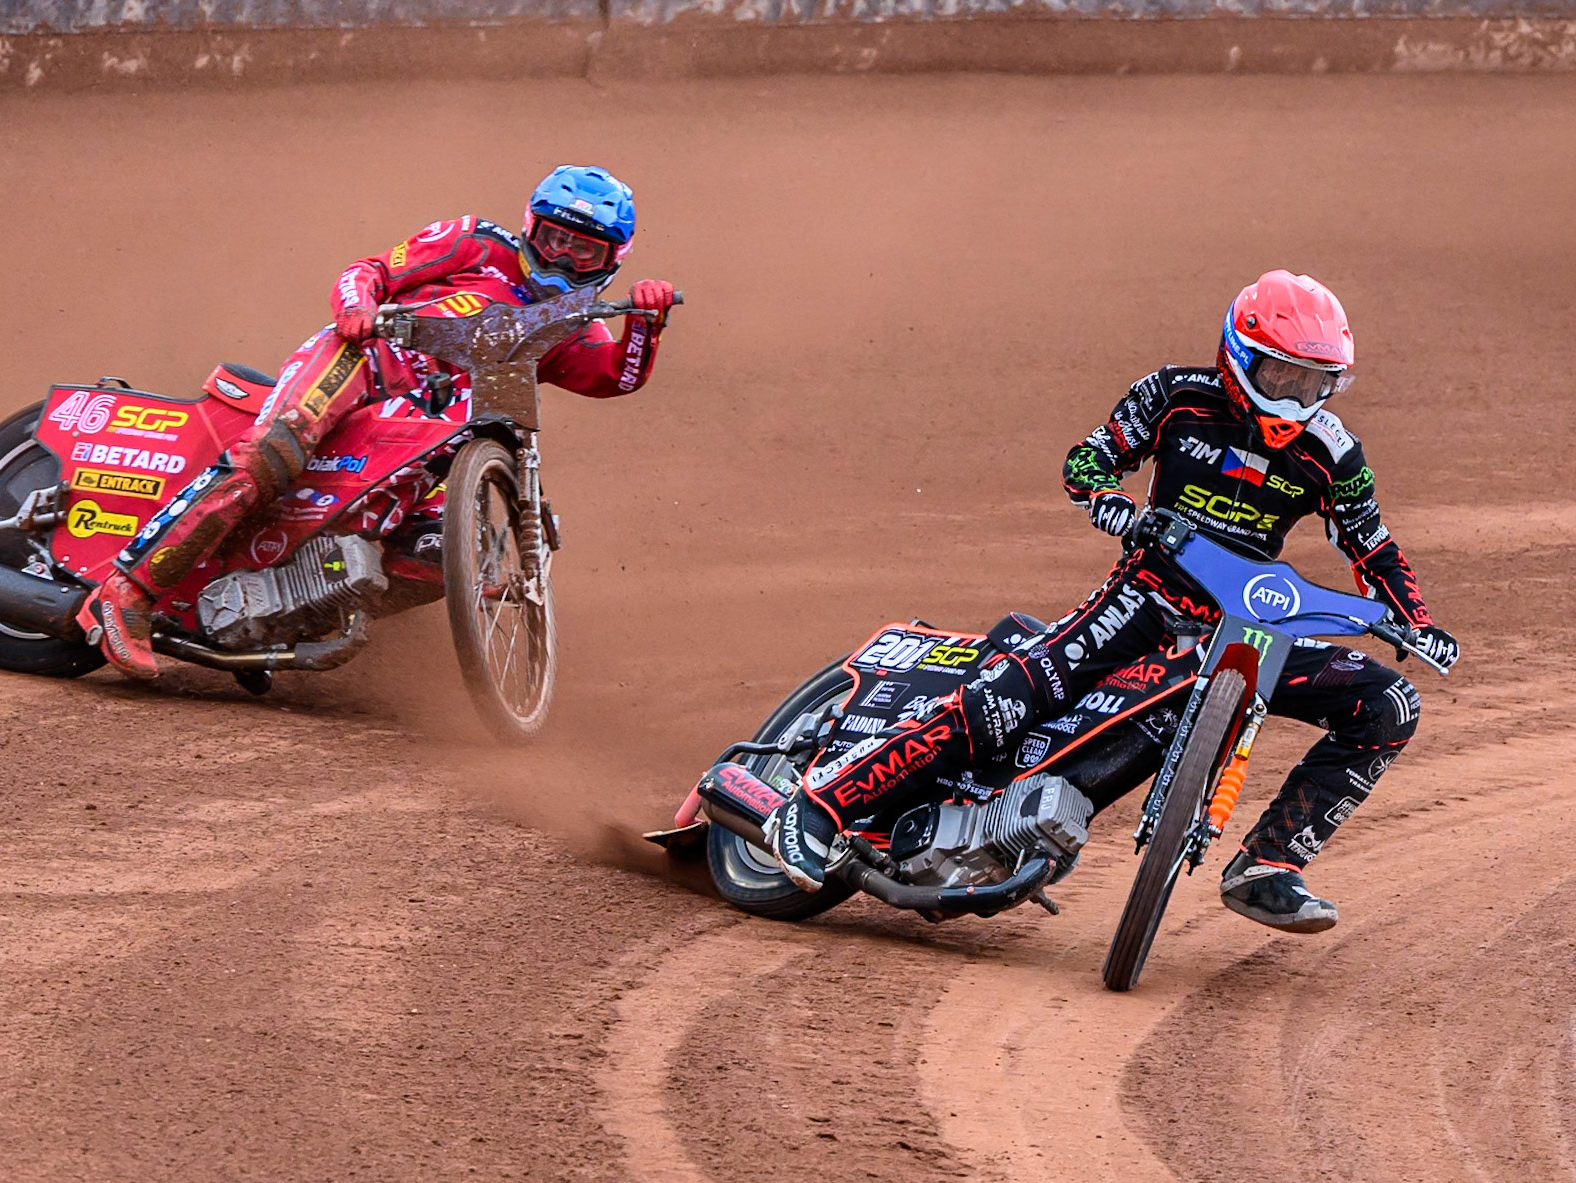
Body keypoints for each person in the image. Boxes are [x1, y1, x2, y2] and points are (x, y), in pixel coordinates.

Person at [765, 270, 1459, 933]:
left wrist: (1415, 621)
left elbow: (1373, 549)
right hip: (1144, 596)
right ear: (1240, 352)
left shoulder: (1333, 453)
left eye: (1313, 379)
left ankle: (1269, 863)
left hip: (1249, 625)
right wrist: (1114, 507)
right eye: (1282, 372)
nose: (1296, 391)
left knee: (1388, 704)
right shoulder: (1173, 394)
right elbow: (1088, 459)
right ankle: (819, 807)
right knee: (1016, 696)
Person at [76, 165, 676, 679]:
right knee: (273, 456)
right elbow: (366, 270)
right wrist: (358, 309)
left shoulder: (575, 328)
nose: (562, 257)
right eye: (553, 238)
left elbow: (614, 378)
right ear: (530, 226)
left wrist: (645, 323)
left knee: (448, 551)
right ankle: (127, 591)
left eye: (584, 249)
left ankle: (282, 619)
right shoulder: (474, 242)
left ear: (611, 259)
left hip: (430, 435)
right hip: (359, 362)